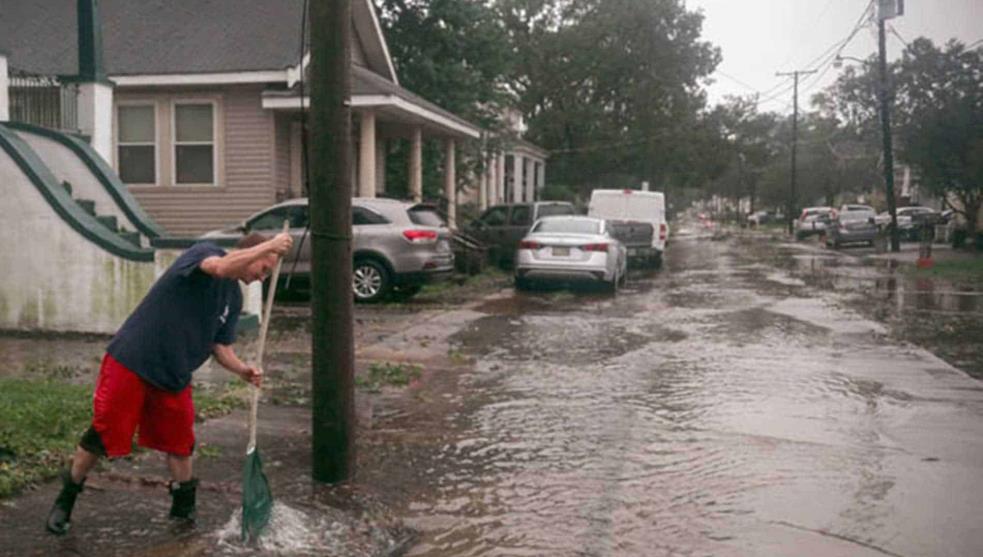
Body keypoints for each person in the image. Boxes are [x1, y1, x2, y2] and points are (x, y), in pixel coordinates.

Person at [45, 232, 293, 535]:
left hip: (174, 373)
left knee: (180, 442)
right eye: (263, 269)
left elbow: (220, 346)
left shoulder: (233, 297)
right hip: (133, 360)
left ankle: (183, 511)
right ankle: (67, 497)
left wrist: (243, 369)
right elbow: (219, 268)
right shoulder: (205, 252)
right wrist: (270, 245)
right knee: (105, 431)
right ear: (251, 253)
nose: (262, 278)